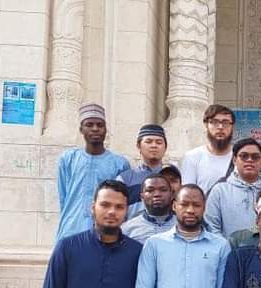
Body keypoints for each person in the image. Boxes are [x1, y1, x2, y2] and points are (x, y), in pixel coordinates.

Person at [54, 103, 130, 241]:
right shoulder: (68, 159)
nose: (95, 129)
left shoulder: (119, 163)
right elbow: (63, 196)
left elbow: (122, 201)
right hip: (71, 228)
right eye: (89, 125)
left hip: (105, 233)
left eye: (100, 125)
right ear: (81, 129)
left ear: (105, 130)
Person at [204, 138, 261, 237]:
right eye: (244, 156)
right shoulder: (220, 191)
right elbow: (212, 226)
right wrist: (226, 246)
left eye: (255, 157)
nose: (249, 160)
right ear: (234, 160)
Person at [181, 104, 235, 193]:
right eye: (215, 122)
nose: (220, 127)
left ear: (232, 126)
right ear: (206, 125)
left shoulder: (240, 157)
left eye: (225, 122)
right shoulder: (192, 157)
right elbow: (189, 194)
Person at [117, 124, 168, 218]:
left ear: (165, 147)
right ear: (138, 146)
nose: (154, 146)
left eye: (159, 142)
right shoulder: (125, 179)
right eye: (148, 142)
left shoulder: (172, 177)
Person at [122, 173, 177, 243]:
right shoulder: (127, 229)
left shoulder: (183, 226)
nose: (157, 194)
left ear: (172, 195)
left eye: (163, 190)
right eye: (150, 190)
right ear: (142, 197)